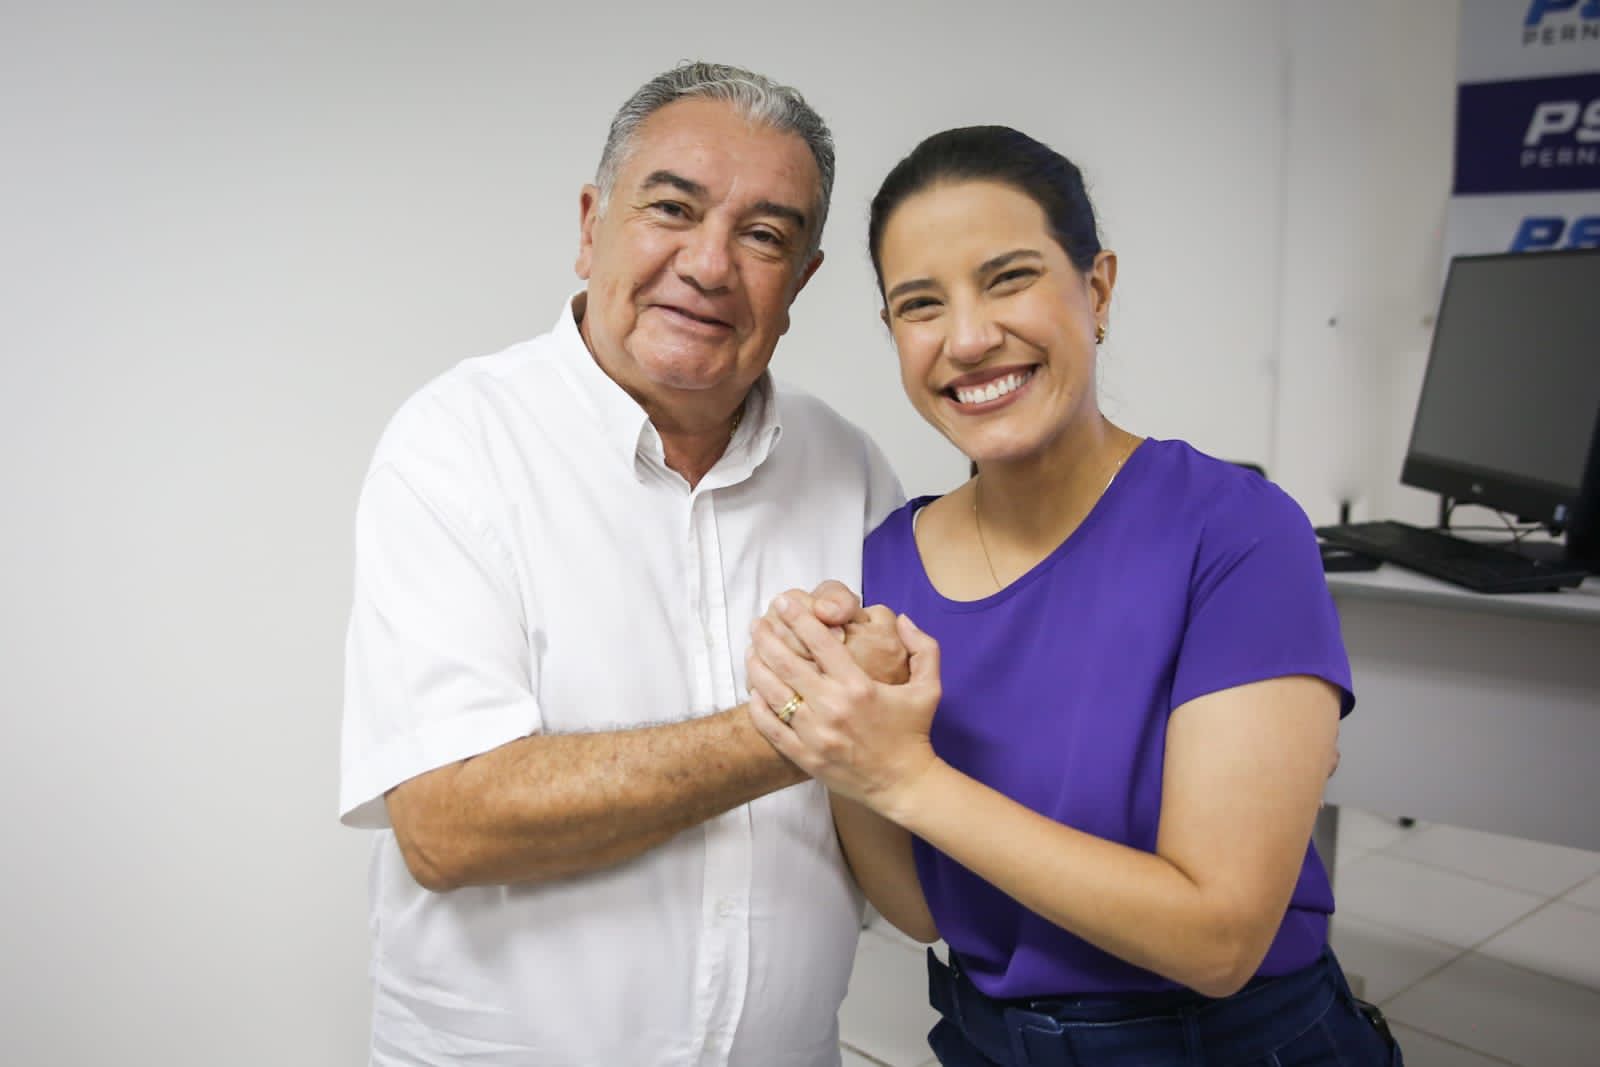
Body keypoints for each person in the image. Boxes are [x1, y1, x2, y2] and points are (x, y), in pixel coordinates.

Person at [744, 126, 1404, 1065]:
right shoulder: (884, 567)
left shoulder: (1236, 531)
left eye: (1008, 277)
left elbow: (1216, 941)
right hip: (986, 1040)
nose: (969, 339)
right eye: (920, 304)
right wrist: (836, 732)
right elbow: (919, 908)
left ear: (1096, 290)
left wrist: (904, 775)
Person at [338, 62, 905, 1066]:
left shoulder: (850, 469)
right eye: (672, 209)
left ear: (803, 282)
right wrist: (796, 727)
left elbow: (896, 794)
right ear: (592, 221)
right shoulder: (457, 442)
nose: (710, 264)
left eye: (764, 235)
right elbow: (446, 823)